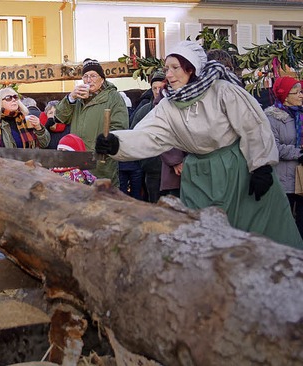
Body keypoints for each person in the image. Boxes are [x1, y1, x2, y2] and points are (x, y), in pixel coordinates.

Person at [95, 40, 303, 249]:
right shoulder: (168, 105)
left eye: (175, 68)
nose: (168, 74)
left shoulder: (222, 91)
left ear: (191, 67)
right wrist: (116, 143)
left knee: (249, 233)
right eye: (167, 68)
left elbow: (253, 125)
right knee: (202, 236)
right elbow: (148, 135)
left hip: (236, 170)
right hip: (198, 176)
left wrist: (262, 167)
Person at [0, 88, 50, 258]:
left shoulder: (27, 121)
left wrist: (39, 127)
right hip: (1, 180)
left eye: (15, 97)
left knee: (25, 221)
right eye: (7, 97)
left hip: (27, 179)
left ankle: (24, 260)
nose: (13, 100)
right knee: (0, 222)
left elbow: (45, 143)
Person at [55, 58, 128, 187]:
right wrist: (70, 98)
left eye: (93, 76)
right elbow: (60, 118)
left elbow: (120, 127)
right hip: (77, 163)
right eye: (85, 76)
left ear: (102, 79)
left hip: (100, 164)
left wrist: (102, 150)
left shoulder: (113, 97)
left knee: (103, 200)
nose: (89, 80)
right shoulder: (78, 99)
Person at [265, 76, 303, 237]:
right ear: (285, 96)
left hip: (301, 176)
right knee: (284, 222)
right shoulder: (272, 118)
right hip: (284, 178)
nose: (301, 95)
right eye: (297, 92)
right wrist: (299, 153)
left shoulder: (300, 114)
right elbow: (274, 146)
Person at [130, 69, 167, 203]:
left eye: (161, 87)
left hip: (175, 170)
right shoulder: (144, 111)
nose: (158, 91)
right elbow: (133, 136)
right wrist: (144, 162)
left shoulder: (176, 107)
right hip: (152, 169)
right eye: (154, 88)